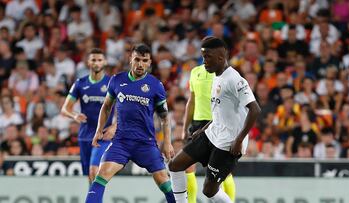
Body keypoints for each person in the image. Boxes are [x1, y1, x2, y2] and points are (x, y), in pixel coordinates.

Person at [169, 37, 261, 203]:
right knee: (175, 165)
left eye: (207, 57)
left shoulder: (234, 79)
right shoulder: (216, 76)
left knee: (209, 191)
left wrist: (239, 140)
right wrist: (202, 130)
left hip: (229, 142)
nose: (204, 61)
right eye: (203, 56)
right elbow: (220, 112)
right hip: (212, 133)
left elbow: (255, 109)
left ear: (220, 57)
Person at [85, 44, 176, 203]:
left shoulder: (156, 86)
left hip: (145, 143)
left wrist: (167, 142)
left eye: (144, 60)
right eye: (137, 59)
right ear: (130, 60)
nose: (140, 64)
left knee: (164, 181)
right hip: (121, 142)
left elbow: (165, 117)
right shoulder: (116, 80)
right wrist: (99, 130)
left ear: (149, 62)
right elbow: (106, 106)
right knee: (100, 176)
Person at [182, 63, 236, 203]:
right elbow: (192, 100)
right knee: (187, 167)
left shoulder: (224, 73)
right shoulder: (194, 72)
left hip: (217, 122)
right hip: (198, 124)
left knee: (223, 171)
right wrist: (184, 128)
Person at [61, 48, 114, 183]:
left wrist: (115, 126)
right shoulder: (80, 83)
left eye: (99, 60)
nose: (96, 63)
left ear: (105, 62)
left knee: (94, 171)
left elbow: (125, 108)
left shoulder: (111, 83)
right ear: (88, 63)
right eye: (93, 60)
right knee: (90, 176)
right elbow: (65, 109)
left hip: (103, 135)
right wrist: (74, 116)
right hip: (85, 135)